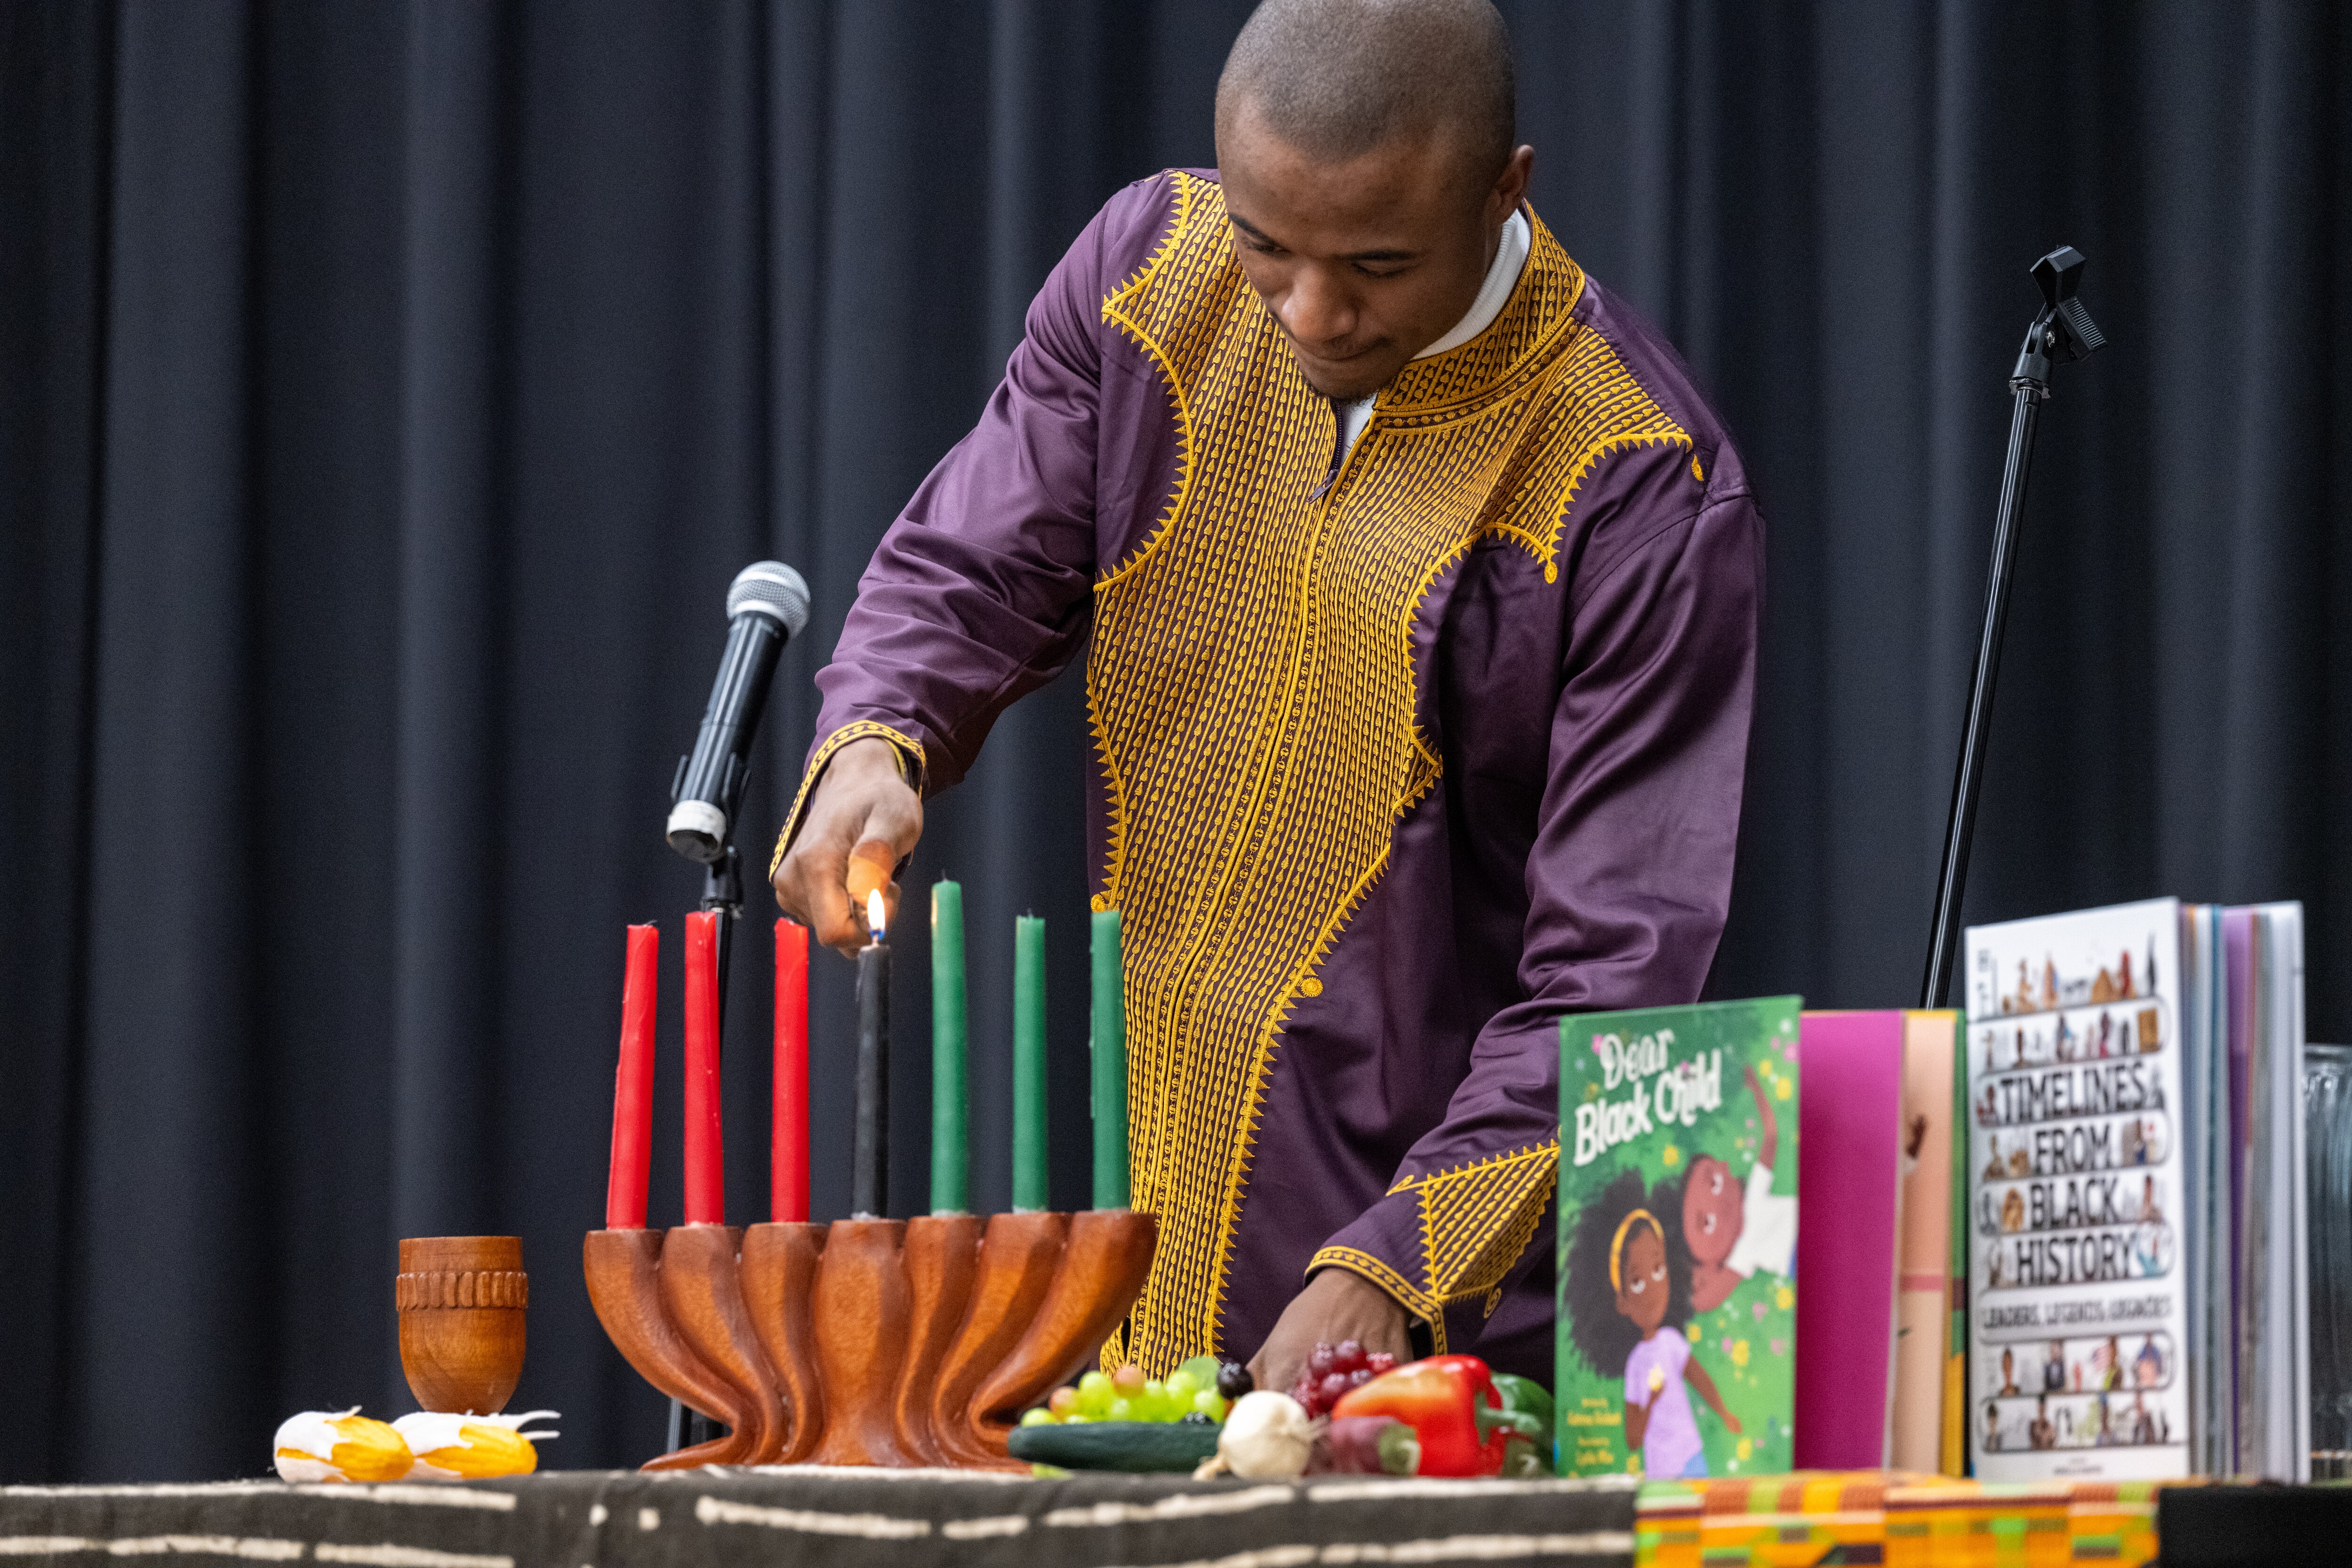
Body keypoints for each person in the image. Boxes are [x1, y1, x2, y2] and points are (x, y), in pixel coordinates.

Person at [768, 0, 1762, 1389]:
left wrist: (1394, 1263)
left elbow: (1614, 981)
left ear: (1504, 190)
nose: (1309, 313)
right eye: (1265, 247)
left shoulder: (1632, 473)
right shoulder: (1146, 272)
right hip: (1126, 1291)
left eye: (1373, 264)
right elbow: (966, 564)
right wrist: (879, 730)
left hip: (1442, 1347)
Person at [1562, 1170, 1739, 1477]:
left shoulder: (1671, 1341)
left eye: (1659, 1268)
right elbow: (1632, 1440)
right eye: (1638, 1280)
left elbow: (1699, 1378)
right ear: (1622, 1302)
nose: (1655, 1286)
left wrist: (1724, 1412)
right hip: (1662, 1470)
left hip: (1691, 1454)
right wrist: (1651, 1400)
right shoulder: (1636, 1365)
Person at [1684, 1065, 1796, 1311]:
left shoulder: (1752, 1197)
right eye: (1706, 1223)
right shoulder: (1741, 1256)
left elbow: (1771, 1136)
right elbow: (1703, 1301)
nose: (1716, 1206)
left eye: (1713, 1182)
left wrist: (1756, 1088)